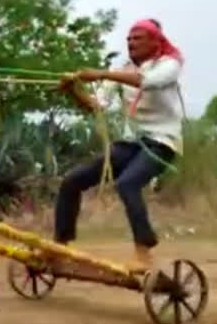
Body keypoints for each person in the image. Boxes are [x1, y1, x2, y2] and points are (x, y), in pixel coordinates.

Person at [53, 18, 183, 272]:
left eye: (138, 38)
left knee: (127, 184)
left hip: (162, 143)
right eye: (129, 39)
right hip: (131, 143)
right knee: (72, 181)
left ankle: (143, 253)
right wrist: (73, 90)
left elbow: (146, 81)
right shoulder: (121, 69)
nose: (131, 43)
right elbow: (96, 105)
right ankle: (60, 247)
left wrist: (100, 73)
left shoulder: (170, 64)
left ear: (155, 41)